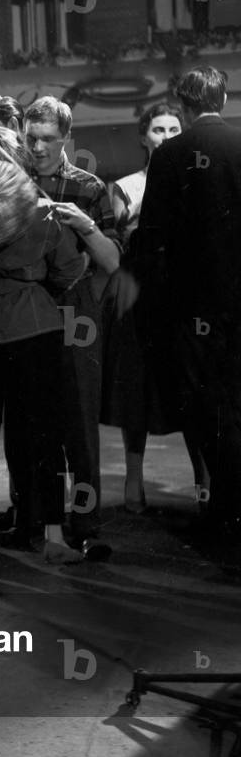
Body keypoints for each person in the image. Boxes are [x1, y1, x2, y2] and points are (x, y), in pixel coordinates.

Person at [0, 160, 87, 565]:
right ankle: (55, 537)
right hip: (35, 329)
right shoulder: (45, 220)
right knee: (46, 436)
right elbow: (68, 272)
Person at [135, 66, 241, 549]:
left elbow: (152, 237)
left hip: (195, 308)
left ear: (184, 104)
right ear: (223, 97)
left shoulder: (173, 156)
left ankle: (224, 509)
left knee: (209, 409)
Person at [24, 96, 120, 561]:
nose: (38, 147)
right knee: (36, 427)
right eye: (31, 138)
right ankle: (43, 525)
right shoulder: (14, 183)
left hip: (77, 312)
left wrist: (85, 225)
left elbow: (112, 260)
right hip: (27, 311)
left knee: (81, 425)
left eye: (47, 139)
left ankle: (85, 524)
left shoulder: (89, 187)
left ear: (66, 138)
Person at [106, 103, 209, 513]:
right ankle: (134, 479)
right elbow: (122, 239)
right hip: (139, 294)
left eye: (173, 128)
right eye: (158, 129)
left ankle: (204, 480)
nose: (166, 135)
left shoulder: (195, 180)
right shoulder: (127, 185)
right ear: (143, 136)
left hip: (181, 296)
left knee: (191, 386)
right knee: (137, 388)